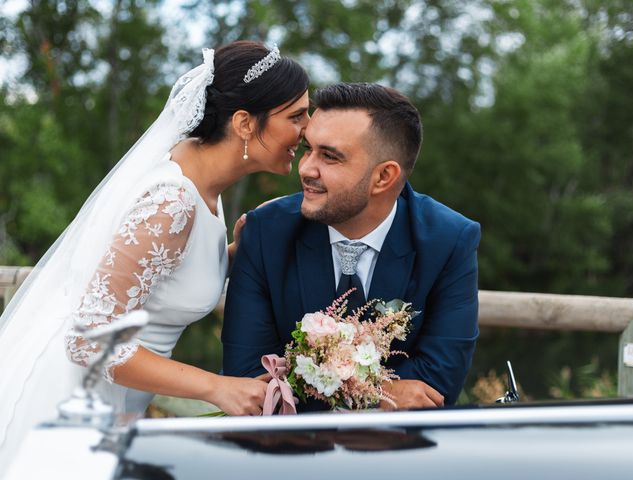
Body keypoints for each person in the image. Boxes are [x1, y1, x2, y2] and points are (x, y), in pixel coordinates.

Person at [0, 40, 310, 469]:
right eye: (296, 116)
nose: (308, 130)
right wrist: (216, 387)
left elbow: (169, 274)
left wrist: (241, 252)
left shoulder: (204, 188)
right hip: (71, 403)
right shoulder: (171, 202)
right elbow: (90, 341)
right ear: (243, 122)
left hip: (116, 403)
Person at [222, 83, 480, 411]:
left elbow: (438, 383)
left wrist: (300, 387)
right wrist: (378, 393)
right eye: (308, 149)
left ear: (383, 177)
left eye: (330, 156)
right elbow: (246, 377)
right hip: (286, 449)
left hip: (395, 452)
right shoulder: (265, 232)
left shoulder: (449, 240)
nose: (305, 169)